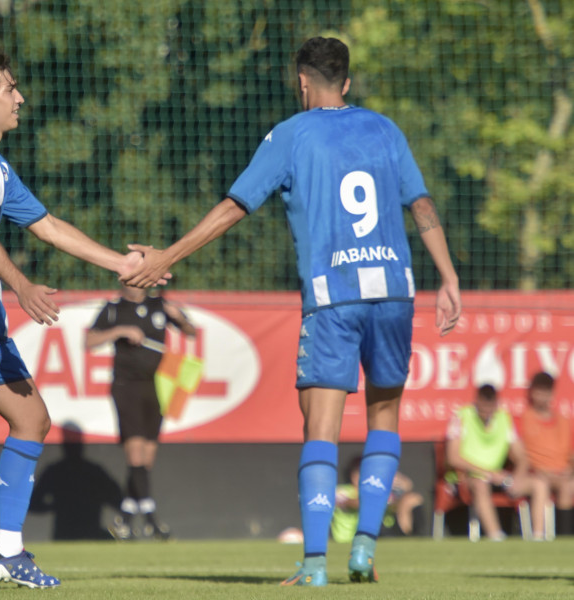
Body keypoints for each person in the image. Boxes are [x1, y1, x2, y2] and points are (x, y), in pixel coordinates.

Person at [122, 36, 461, 586]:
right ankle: (366, 551)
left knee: (322, 429)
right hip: (396, 292)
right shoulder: (385, 129)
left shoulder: (292, 135)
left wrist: (166, 256)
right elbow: (419, 203)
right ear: (346, 82)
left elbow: (233, 208)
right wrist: (447, 277)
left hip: (334, 298)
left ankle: (313, 565)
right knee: (384, 419)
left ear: (302, 82)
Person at [0, 53, 165, 591]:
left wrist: (122, 265)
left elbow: (48, 225)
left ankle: (7, 553)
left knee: (32, 420)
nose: (19, 97)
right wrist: (21, 285)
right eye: (10, 88)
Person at [85, 285, 196, 541]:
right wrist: (120, 331)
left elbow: (191, 333)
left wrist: (180, 317)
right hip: (126, 386)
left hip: (156, 386)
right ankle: (151, 519)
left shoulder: (160, 305)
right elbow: (89, 341)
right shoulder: (114, 309)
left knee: (147, 457)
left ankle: (125, 516)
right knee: (134, 450)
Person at [445, 384, 533, 541]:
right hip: (468, 477)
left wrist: (517, 477)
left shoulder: (503, 418)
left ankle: (539, 536)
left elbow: (522, 457)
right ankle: (496, 536)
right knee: (480, 485)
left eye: (490, 407)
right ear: (477, 401)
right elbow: (453, 457)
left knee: (539, 484)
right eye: (483, 407)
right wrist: (488, 473)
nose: (486, 412)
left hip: (499, 477)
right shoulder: (462, 416)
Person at [519, 372, 574, 537]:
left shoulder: (564, 421)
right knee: (540, 485)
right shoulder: (524, 419)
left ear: (552, 394)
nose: (542, 397)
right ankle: (538, 535)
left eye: (546, 392)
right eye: (539, 392)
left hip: (562, 474)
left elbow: (571, 454)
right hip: (537, 474)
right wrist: (539, 470)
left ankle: (565, 537)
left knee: (568, 487)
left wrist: (570, 470)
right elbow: (520, 455)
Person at [331, 456, 424, 543]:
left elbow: (397, 502)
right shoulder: (343, 490)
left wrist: (404, 490)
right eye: (360, 472)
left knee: (411, 499)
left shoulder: (381, 491)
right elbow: (354, 503)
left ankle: (414, 537)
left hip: (384, 532)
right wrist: (385, 500)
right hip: (352, 537)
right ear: (352, 474)